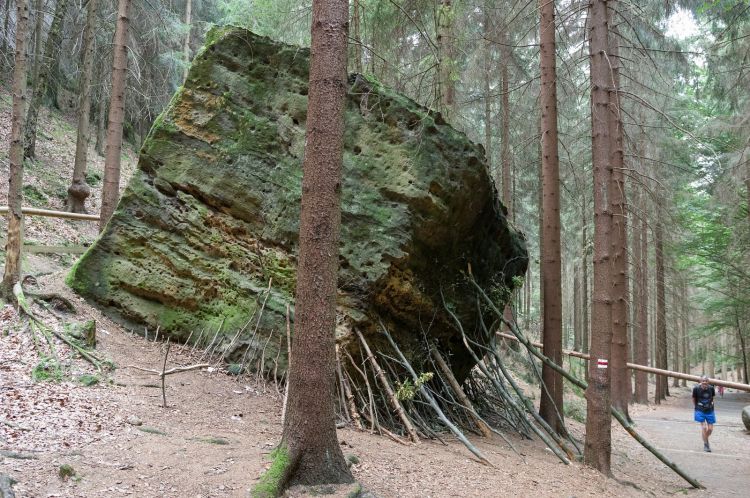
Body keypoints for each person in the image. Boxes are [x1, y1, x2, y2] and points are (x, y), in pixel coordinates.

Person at [693, 375, 716, 452]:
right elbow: (694, 398)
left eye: (706, 381)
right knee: (704, 428)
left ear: (708, 382)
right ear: (700, 381)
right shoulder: (696, 389)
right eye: (703, 381)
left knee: (710, 429)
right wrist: (696, 407)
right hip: (700, 409)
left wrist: (711, 405)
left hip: (710, 409)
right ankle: (706, 445)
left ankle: (704, 437)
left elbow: (712, 398)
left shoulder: (711, 388)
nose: (704, 382)